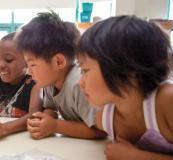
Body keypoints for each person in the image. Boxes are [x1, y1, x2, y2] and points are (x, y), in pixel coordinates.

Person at [77, 15, 173, 159]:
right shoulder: (105, 119)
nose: (80, 82)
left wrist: (136, 156)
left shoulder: (170, 100)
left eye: (85, 70)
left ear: (127, 69)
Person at [15, 10, 106, 140]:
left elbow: (99, 131)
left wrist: (55, 126)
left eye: (33, 65)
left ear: (59, 61)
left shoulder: (79, 83)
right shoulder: (50, 81)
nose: (29, 71)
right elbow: (50, 108)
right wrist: (43, 120)